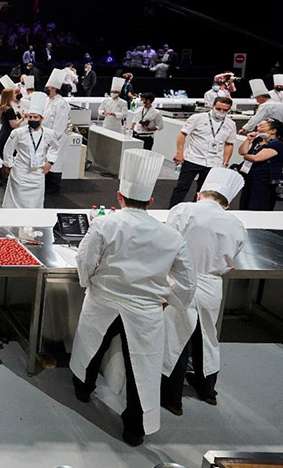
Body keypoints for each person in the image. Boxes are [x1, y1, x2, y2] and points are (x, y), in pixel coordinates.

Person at [70, 149, 195, 446]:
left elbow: (85, 258)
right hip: (145, 310)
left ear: (119, 196)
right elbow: (187, 281)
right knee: (143, 368)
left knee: (92, 347)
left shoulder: (106, 224)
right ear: (151, 201)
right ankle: (134, 429)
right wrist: (172, 300)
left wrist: (87, 282)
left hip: (104, 300)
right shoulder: (172, 236)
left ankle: (83, 390)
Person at [161, 168, 246, 416]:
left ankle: (172, 398)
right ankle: (208, 390)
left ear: (200, 194)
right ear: (226, 203)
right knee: (207, 337)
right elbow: (234, 255)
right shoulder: (236, 224)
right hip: (211, 284)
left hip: (181, 281)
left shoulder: (183, 210)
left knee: (175, 337)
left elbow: (168, 242)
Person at [169, 97, 236, 207]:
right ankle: (172, 209)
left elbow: (229, 144)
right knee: (182, 187)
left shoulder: (230, 124)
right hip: (193, 158)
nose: (221, 112)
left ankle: (198, 210)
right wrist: (179, 153)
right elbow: (182, 134)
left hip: (214, 162)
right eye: (219, 109)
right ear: (212, 106)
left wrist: (225, 163)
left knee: (205, 191)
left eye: (225, 110)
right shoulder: (197, 118)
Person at [2, 92, 59, 209]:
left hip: (38, 173)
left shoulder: (49, 133)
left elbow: (55, 148)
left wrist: (50, 161)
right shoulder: (18, 132)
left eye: (35, 117)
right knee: (16, 201)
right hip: (20, 171)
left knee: (35, 202)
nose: (32, 119)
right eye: (30, 117)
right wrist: (9, 164)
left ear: (41, 119)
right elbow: (8, 149)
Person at [238, 118, 282, 211]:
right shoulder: (257, 140)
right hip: (250, 176)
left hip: (264, 180)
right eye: (258, 126)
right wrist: (248, 140)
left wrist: (246, 156)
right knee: (245, 203)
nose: (258, 128)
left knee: (258, 205)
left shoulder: (277, 144)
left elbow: (256, 158)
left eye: (262, 126)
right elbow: (242, 151)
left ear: (273, 131)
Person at [43, 69, 71, 194]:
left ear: (54, 88)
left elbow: (59, 126)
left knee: (55, 163)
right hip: (46, 137)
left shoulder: (62, 104)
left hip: (56, 139)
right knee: (46, 162)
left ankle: (54, 189)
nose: (46, 89)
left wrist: (50, 140)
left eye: (48, 87)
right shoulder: (48, 101)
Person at [0, 78, 23, 159]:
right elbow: (14, 125)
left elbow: (1, 121)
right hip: (8, 135)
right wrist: (22, 118)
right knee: (9, 158)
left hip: (2, 134)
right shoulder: (9, 109)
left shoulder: (2, 107)